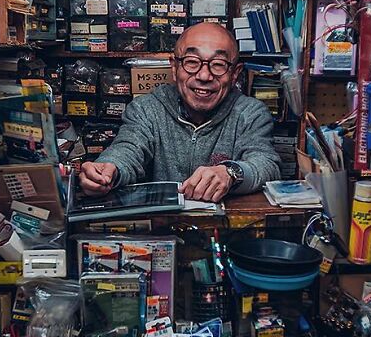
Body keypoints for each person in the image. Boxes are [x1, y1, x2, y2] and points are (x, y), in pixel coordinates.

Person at [77, 22, 281, 202]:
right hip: (161, 232)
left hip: (227, 232)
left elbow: (266, 164)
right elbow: (128, 148)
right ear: (174, 68)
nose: (204, 75)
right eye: (192, 62)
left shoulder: (251, 113)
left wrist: (230, 172)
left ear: (235, 74)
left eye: (218, 65)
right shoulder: (147, 109)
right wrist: (108, 169)